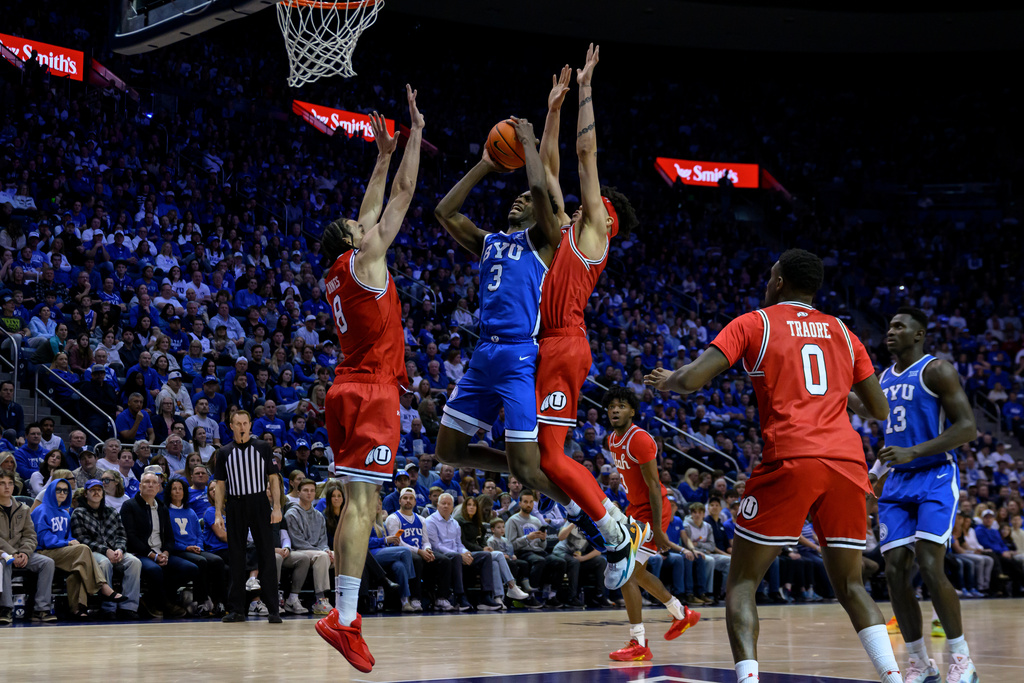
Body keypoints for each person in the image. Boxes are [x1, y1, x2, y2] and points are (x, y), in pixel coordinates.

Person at [645, 248, 902, 683]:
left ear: (779, 281)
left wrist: (668, 380)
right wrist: (841, 392)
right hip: (846, 463)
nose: (767, 284)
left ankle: (748, 680)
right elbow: (877, 409)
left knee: (743, 581)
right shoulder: (843, 331)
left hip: (792, 457)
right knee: (851, 585)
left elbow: (691, 380)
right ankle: (894, 677)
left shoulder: (756, 322)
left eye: (770, 277)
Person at [434, 105, 646, 589]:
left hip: (521, 356)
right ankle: (523, 459)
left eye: (523, 199)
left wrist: (529, 144)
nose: (517, 200)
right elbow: (444, 212)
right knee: (450, 452)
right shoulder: (490, 242)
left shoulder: (548, 241)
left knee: (539, 466)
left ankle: (604, 523)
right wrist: (489, 161)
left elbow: (542, 182)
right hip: (483, 354)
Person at [312, 91, 423, 673]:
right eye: (360, 225)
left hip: (344, 389)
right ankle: (345, 619)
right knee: (361, 504)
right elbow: (401, 197)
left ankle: (345, 615)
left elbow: (374, 201)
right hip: (373, 389)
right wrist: (412, 135)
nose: (368, 221)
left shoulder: (337, 273)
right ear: (354, 241)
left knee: (364, 500)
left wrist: (381, 155)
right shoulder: (366, 258)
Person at [855, 307, 979, 683]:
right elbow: (867, 409)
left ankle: (961, 658)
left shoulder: (936, 370)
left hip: (935, 475)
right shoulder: (883, 378)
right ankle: (920, 662)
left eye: (899, 326)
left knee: (929, 562)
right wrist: (835, 387)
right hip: (897, 482)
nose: (890, 332)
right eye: (889, 326)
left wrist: (915, 451)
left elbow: (968, 427)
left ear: (919, 334)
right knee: (894, 572)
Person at [601, 386, 700, 661]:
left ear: (632, 410)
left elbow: (655, 487)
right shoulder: (612, 439)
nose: (615, 410)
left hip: (653, 510)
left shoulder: (640, 439)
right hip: (635, 509)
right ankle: (681, 613)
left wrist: (657, 527)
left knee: (625, 571)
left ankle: (639, 642)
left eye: (621, 406)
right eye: (611, 407)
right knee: (636, 573)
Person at [211, 410, 282, 623]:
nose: (242, 427)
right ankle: (237, 609)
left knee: (267, 555)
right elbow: (220, 485)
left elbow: (273, 478)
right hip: (235, 504)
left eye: (245, 423)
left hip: (259, 502)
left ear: (250, 425)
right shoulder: (223, 452)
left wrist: (276, 506)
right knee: (236, 556)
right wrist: (218, 513)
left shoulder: (262, 447)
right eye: (237, 423)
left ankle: (273, 609)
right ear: (231, 426)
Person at [31, 479, 129, 618]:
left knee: (80, 567)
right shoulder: (41, 510)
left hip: (61, 551)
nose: (62, 493)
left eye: (65, 490)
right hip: (44, 551)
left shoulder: (65, 513)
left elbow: (69, 536)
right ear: (51, 491)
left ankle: (78, 608)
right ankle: (103, 586)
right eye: (58, 489)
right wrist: (66, 543)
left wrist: (70, 541)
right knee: (83, 550)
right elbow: (42, 538)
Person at [120, 472, 197, 618]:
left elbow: (169, 537)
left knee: (191, 568)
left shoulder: (162, 507)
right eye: (146, 482)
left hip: (160, 552)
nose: (150, 485)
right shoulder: (129, 506)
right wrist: (152, 555)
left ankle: (151, 599)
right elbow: (131, 537)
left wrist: (166, 553)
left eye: (154, 482)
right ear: (140, 486)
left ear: (158, 487)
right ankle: (166, 604)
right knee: (156, 570)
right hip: (140, 553)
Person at [69, 479, 143, 619]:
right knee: (104, 563)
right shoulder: (78, 513)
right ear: (86, 494)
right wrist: (105, 550)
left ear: (103, 493)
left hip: (115, 551)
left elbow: (122, 535)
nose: (96, 492)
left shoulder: (112, 512)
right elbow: (82, 540)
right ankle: (108, 608)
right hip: (92, 553)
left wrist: (120, 549)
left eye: (99, 490)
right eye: (92, 490)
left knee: (134, 562)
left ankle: (129, 607)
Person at [425, 492, 500, 611]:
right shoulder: (430, 521)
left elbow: (459, 544)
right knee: (456, 557)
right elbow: (436, 545)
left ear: (452, 507)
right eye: (443, 503)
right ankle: (460, 597)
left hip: (457, 554)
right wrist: (460, 554)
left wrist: (466, 553)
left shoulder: (455, 523)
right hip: (442, 556)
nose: (445, 506)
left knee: (485, 555)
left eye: (448, 504)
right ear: (438, 505)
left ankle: (485, 597)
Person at [0, 470, 57, 624]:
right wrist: (13, 553)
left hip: (22, 553)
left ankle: (41, 609)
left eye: (10, 483)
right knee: (3, 563)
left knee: (47, 562)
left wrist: (24, 553)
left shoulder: (23, 509)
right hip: (3, 554)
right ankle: (6, 608)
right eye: (2, 483)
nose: (7, 487)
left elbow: (31, 535)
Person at [165, 476, 227, 617]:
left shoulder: (191, 512)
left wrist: (198, 546)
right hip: (179, 550)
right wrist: (186, 548)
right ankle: (201, 601)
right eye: (174, 489)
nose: (178, 491)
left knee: (218, 561)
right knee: (201, 562)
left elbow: (199, 534)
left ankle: (220, 602)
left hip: (195, 549)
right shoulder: (166, 512)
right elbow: (168, 539)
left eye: (180, 489)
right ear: (169, 492)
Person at [284, 478, 334, 616]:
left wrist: (326, 549)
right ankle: (320, 599)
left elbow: (323, 540)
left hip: (317, 553)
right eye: (305, 490)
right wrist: (322, 552)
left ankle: (345, 598)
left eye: (312, 491)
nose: (309, 493)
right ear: (298, 492)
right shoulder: (291, 514)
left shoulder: (319, 516)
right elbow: (297, 542)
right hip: (299, 551)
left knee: (338, 556)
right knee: (323, 556)